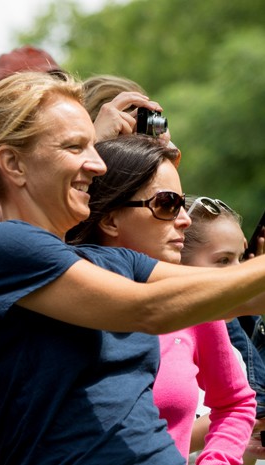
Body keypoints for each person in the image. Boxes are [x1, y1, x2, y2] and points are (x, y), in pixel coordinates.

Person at [0, 71, 265, 465]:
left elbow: (234, 293)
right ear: (14, 164)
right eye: (76, 147)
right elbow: (147, 309)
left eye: (94, 146)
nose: (97, 164)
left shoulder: (115, 260)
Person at [67, 135, 256, 464]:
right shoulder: (52, 296)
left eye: (182, 204)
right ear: (110, 219)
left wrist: (216, 460)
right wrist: (50, 422)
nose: (185, 218)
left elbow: (236, 402)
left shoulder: (194, 300)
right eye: (167, 204)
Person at [180, 195, 265, 464]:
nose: (239, 275)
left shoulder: (231, 353)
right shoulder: (155, 345)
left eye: (242, 259)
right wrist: (249, 416)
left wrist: (247, 439)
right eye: (223, 261)